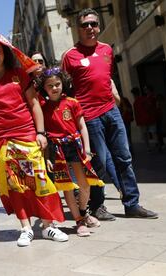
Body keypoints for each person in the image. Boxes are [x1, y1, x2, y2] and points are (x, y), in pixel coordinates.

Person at [0, 32, 68, 247]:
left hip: (28, 135)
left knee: (41, 181)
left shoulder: (19, 74)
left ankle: (48, 226)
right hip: (3, 142)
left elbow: (34, 104)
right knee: (16, 186)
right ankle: (26, 228)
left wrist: (40, 132)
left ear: (5, 52)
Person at [62, 8, 158, 220]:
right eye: (85, 25)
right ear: (78, 29)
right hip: (89, 117)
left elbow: (107, 79)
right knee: (100, 163)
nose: (90, 28)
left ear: (98, 26)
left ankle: (132, 204)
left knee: (124, 158)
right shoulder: (69, 57)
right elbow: (65, 91)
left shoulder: (107, 50)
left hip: (111, 112)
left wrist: (117, 101)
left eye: (93, 24)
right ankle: (97, 206)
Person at [37, 67, 102, 237]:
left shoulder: (72, 102)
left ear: (63, 83)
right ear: (44, 88)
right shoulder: (42, 107)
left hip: (75, 146)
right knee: (67, 188)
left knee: (84, 185)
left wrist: (87, 148)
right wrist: (47, 158)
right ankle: (79, 221)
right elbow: (43, 133)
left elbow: (82, 126)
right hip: (56, 150)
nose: (54, 88)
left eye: (57, 84)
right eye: (49, 85)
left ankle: (83, 211)